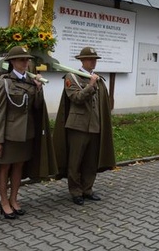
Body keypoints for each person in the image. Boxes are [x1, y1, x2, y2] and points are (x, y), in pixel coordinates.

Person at [0, 46, 57, 219]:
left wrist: (38, 88)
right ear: (12, 62)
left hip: (26, 134)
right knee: (4, 167)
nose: (25, 62)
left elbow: (36, 108)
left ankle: (14, 199)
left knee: (19, 166)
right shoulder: (4, 82)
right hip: (8, 134)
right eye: (21, 59)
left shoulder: (31, 81)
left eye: (27, 59)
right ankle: (4, 201)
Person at [53, 47, 116, 205]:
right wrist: (90, 85)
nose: (93, 61)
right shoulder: (72, 77)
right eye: (89, 59)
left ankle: (87, 189)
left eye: (94, 59)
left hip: (95, 125)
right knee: (75, 161)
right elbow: (76, 98)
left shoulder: (97, 78)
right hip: (78, 126)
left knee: (90, 161)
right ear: (81, 60)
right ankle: (75, 191)